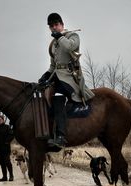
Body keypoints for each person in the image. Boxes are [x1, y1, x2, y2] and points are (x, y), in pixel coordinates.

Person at [38, 12, 95, 149]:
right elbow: (53, 66)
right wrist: (45, 75)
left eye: (56, 25)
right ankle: (46, 133)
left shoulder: (72, 36)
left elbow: (70, 47)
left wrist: (60, 36)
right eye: (51, 26)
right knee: (42, 95)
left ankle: (61, 136)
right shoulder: (53, 44)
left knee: (58, 96)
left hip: (70, 78)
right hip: (56, 77)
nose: (54, 28)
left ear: (62, 25)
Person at [0, 115, 14, 182]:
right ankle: (4, 177)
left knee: (7, 162)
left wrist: (7, 142)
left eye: (0, 119)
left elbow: (11, 135)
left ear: (3, 120)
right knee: (2, 163)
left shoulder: (7, 127)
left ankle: (11, 176)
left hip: (6, 149)